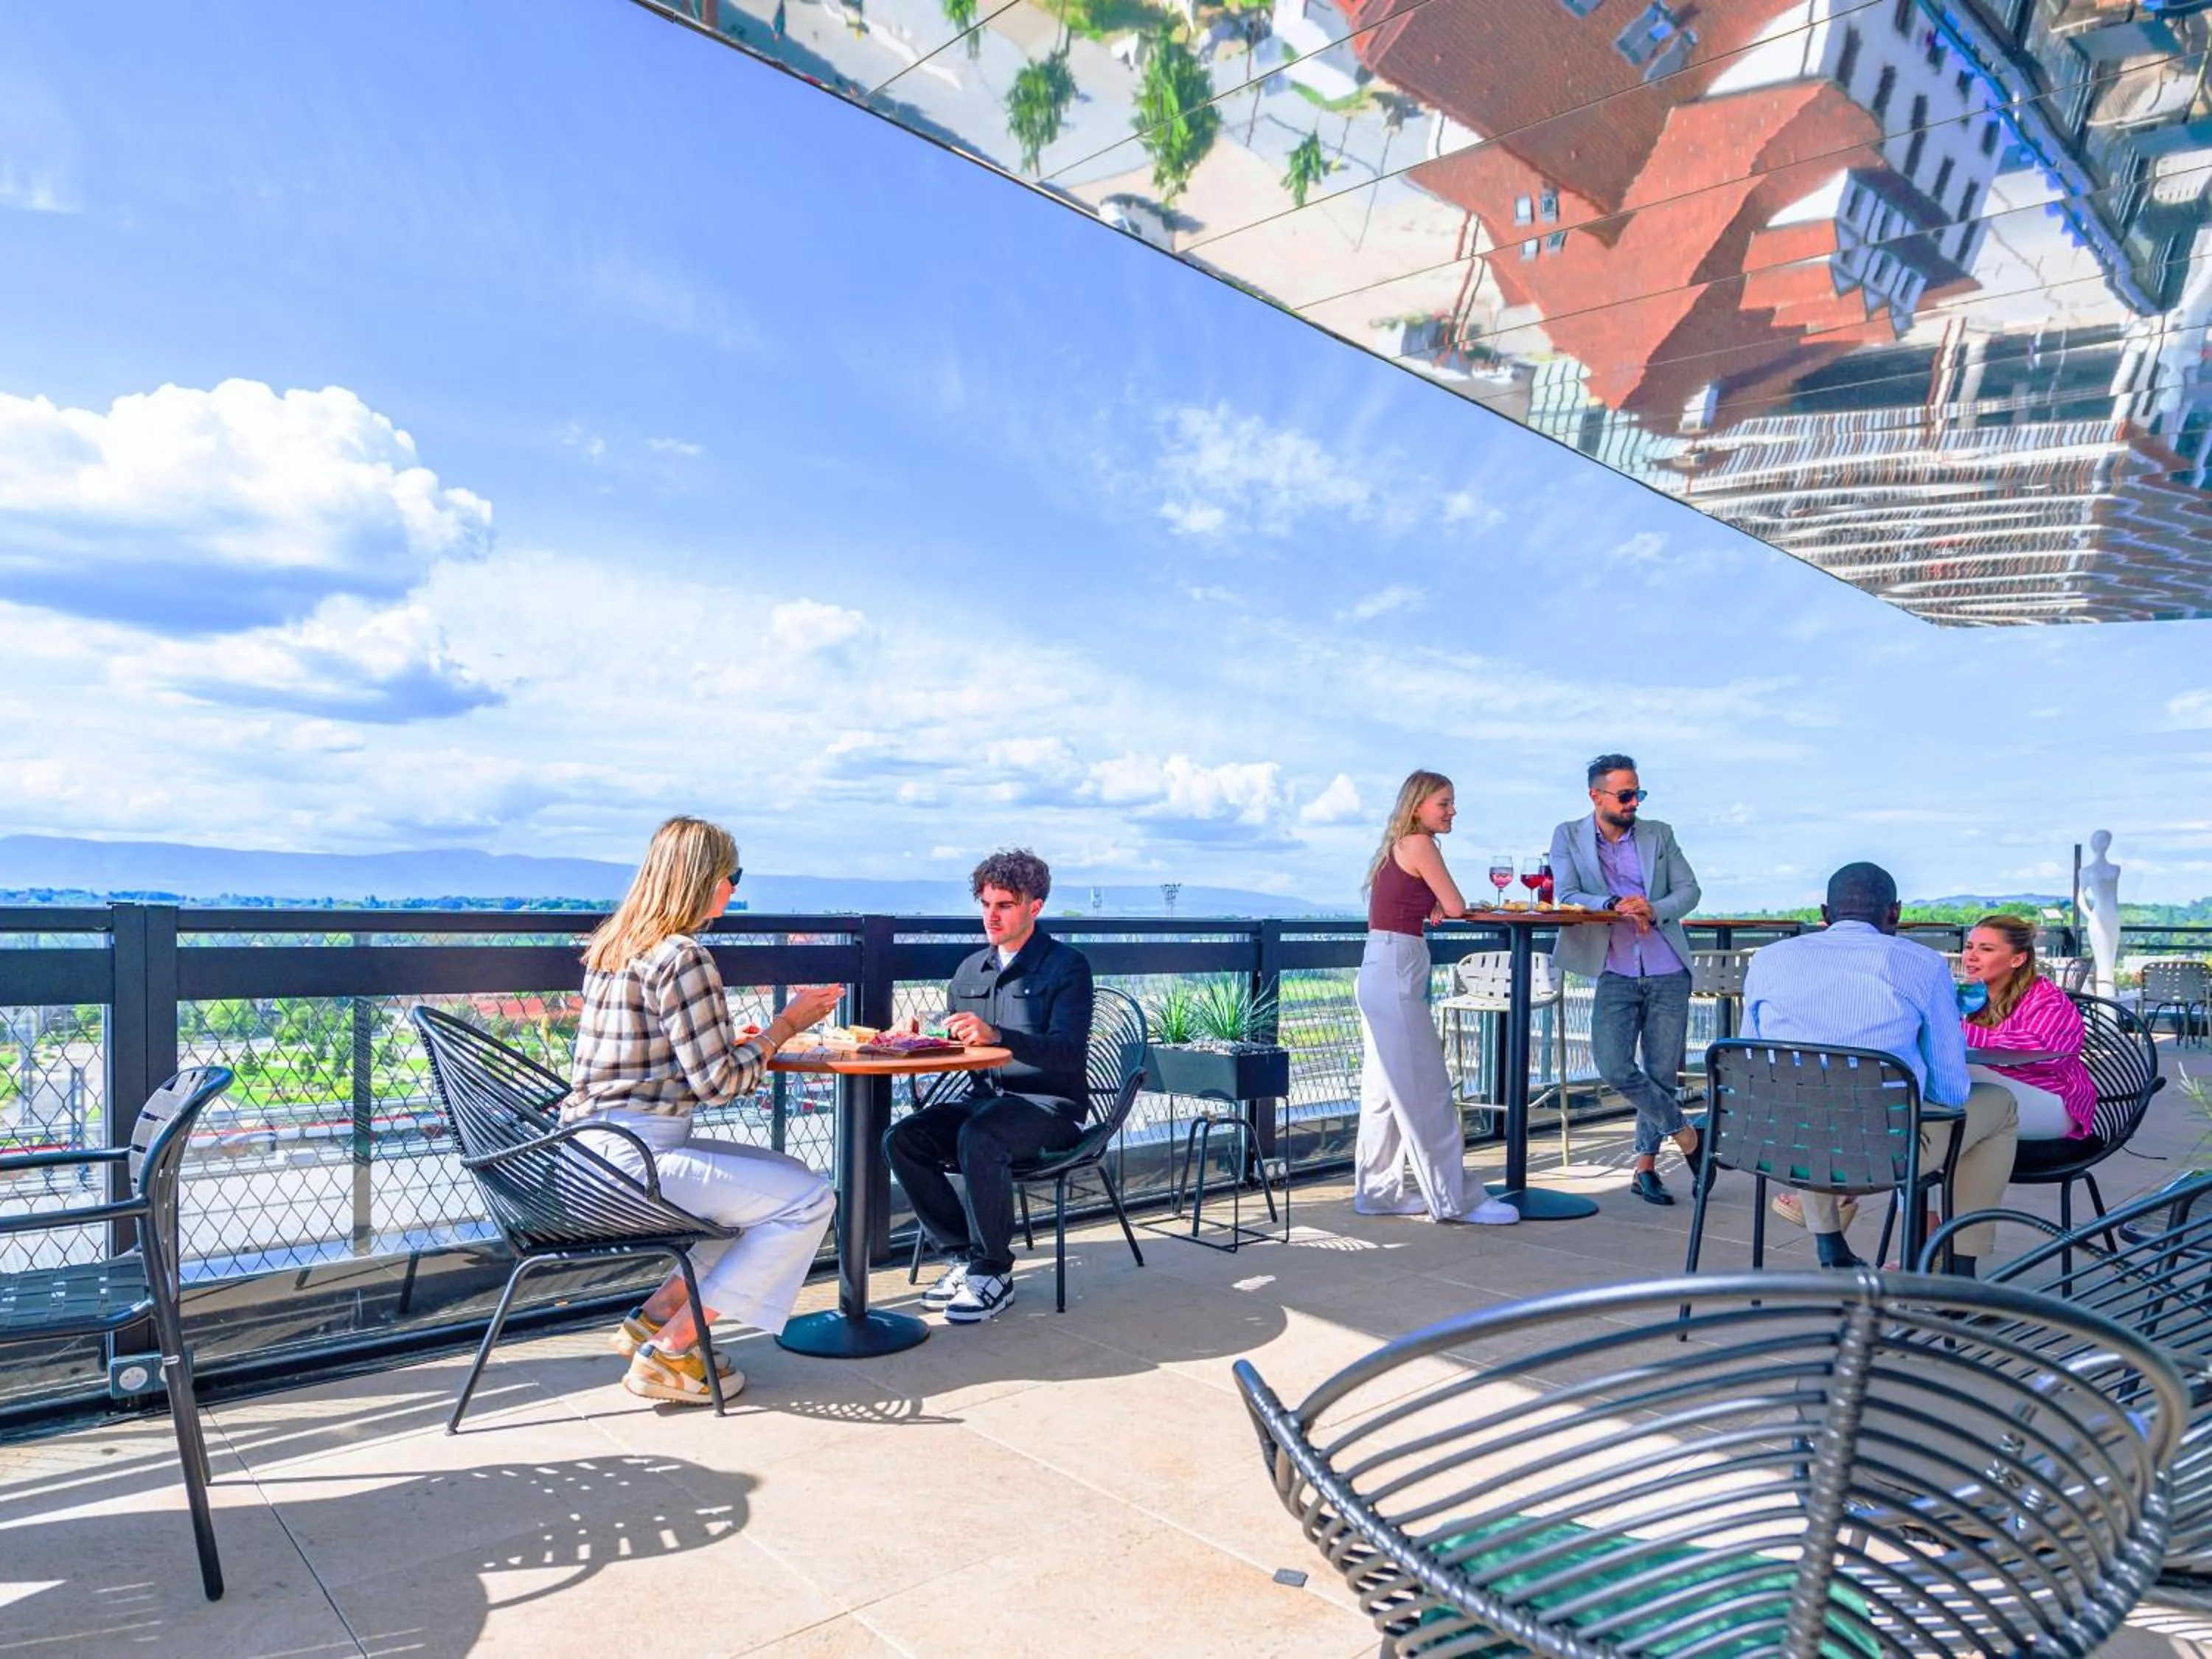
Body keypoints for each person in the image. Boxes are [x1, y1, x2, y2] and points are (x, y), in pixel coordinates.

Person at [562, 815, 843, 1405]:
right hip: (634, 1159)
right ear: (704, 879)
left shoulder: (613, 949)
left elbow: (670, 1059)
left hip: (583, 1155)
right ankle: (671, 1353)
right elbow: (719, 1083)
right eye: (732, 876)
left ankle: (655, 1318)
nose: (735, 891)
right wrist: (784, 1027)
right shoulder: (683, 955)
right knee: (809, 1198)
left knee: (763, 1196)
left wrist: (738, 1043)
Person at [1743, 863, 2017, 1275]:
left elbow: (1753, 1069)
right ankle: (1959, 1272)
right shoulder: (1921, 964)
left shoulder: (1768, 960)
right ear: (1896, 913)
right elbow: (1949, 1091)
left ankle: (1831, 1245)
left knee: (1805, 1093)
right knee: (1998, 1106)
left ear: (1825, 913)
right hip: (1888, 1154)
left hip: (1786, 1147)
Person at [884, 849, 1095, 1324]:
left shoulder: (1067, 967)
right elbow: (964, 1048)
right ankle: (962, 1259)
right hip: (985, 1103)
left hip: (1050, 1108)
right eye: (985, 904)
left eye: (1004, 905)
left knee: (980, 1138)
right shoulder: (968, 970)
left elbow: (1066, 1051)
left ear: (1034, 907)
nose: (991, 916)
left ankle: (994, 1272)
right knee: (902, 1140)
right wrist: (918, 1039)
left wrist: (1000, 1036)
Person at [1354, 771, 1520, 1225]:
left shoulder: (1398, 847)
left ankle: (1378, 1192)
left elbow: (1425, 903)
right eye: (1443, 803)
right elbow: (1457, 904)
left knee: (1384, 1094)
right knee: (1429, 1093)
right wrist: (1451, 905)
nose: (1452, 811)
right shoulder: (1421, 844)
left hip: (1377, 966)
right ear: (1417, 806)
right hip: (1397, 970)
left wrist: (1436, 905)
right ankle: (1455, 1200)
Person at [1547, 754, 1703, 1206]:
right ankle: (1689, 1135)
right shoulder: (1568, 836)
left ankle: (1646, 1168)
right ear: (1596, 796)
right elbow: (1569, 893)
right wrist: (1616, 903)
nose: (1635, 802)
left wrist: (1653, 909)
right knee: (1614, 1066)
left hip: (1668, 966)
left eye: (1638, 793)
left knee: (1660, 1074)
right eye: (1625, 794)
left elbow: (1689, 890)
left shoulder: (1660, 834)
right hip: (1612, 967)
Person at [1960, 914, 2097, 1141]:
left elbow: (2046, 1055)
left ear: (2017, 960)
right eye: (1969, 947)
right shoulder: (1973, 997)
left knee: (1959, 1074)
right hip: (2003, 1094)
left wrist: (1964, 1033)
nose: (1971, 957)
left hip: (2055, 1104)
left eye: (1986, 949)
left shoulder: (2047, 1000)